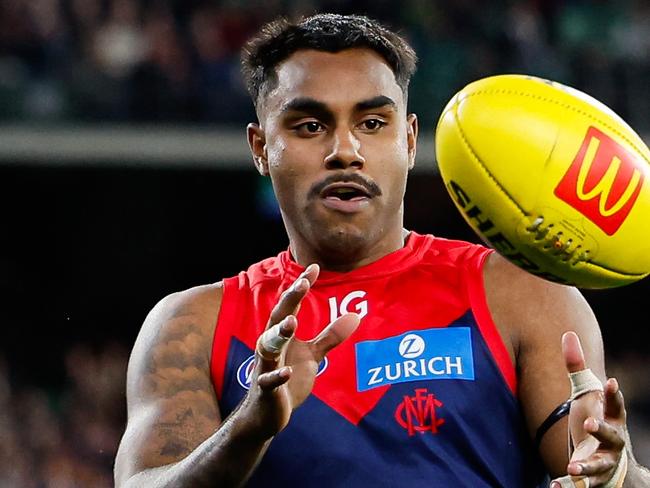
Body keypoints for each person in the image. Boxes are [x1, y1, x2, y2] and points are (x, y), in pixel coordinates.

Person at [114, 13, 650, 488]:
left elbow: (593, 465)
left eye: (372, 123)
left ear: (411, 139)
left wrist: (616, 473)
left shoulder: (518, 294)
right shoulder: (193, 325)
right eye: (309, 126)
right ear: (260, 148)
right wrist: (248, 429)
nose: (344, 151)